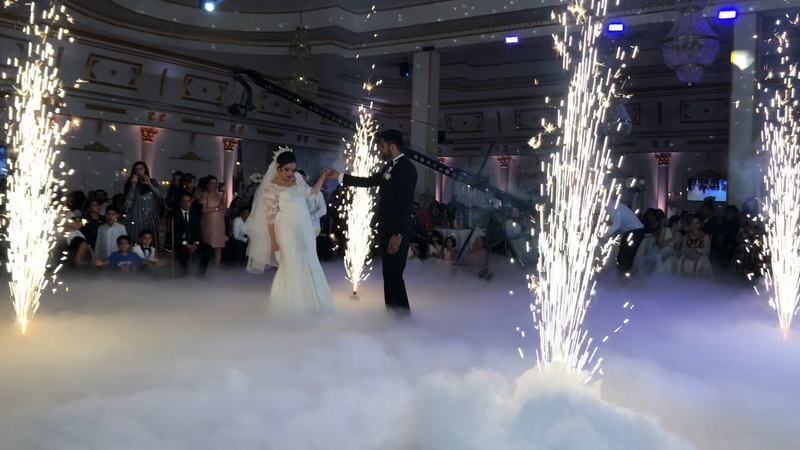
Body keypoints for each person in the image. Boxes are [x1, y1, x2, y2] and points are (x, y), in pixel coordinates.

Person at [327, 129, 417, 315]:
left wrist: (398, 234)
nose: (380, 150)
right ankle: (392, 314)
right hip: (387, 228)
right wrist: (340, 176)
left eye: (382, 146)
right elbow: (369, 181)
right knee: (388, 274)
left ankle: (403, 317)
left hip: (397, 231)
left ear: (392, 147)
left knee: (394, 274)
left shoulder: (407, 169)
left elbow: (406, 205)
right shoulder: (389, 167)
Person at [245, 147, 334, 312]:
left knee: (310, 261)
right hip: (286, 229)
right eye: (287, 169)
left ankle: (313, 304)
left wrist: (322, 177)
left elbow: (311, 194)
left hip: (305, 227)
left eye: (293, 169)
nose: (290, 173)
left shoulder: (298, 178)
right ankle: (289, 307)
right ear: (278, 167)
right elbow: (270, 219)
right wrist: (273, 242)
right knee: (291, 264)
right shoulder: (271, 189)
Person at [167, 193, 213, 276]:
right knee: (183, 250)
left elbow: (197, 230)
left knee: (208, 248)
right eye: (184, 201)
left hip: (191, 241)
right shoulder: (173, 213)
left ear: (190, 202)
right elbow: (173, 232)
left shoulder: (193, 213)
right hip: (177, 241)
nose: (186, 203)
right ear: (180, 202)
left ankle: (200, 274)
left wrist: (195, 243)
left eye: (188, 201)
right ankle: (184, 275)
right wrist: (186, 244)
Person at [124, 161, 163, 242]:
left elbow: (160, 195)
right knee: (137, 233)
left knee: (150, 233)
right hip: (137, 213)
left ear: (145, 170)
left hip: (150, 213)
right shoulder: (131, 182)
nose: (139, 171)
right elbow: (129, 198)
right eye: (137, 170)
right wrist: (133, 184)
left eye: (141, 169)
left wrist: (150, 185)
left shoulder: (152, 181)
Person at [606, 202, 644, 275]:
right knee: (626, 257)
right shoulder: (614, 205)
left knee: (624, 257)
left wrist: (605, 233)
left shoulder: (613, 207)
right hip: (634, 231)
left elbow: (616, 225)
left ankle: (623, 277)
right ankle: (624, 276)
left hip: (634, 232)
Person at [197, 175, 227, 265]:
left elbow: (224, 206)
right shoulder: (204, 194)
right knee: (209, 245)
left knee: (219, 246)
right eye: (212, 183)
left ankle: (216, 268)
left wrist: (224, 192)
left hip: (219, 222)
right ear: (207, 185)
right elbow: (203, 210)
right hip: (209, 222)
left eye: (215, 183)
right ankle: (205, 267)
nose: (214, 185)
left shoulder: (219, 195)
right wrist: (216, 209)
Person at [297, 170, 327, 236]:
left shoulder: (317, 192)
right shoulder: (295, 193)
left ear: (304, 177)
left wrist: (310, 217)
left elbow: (323, 210)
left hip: (313, 227)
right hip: (298, 227)